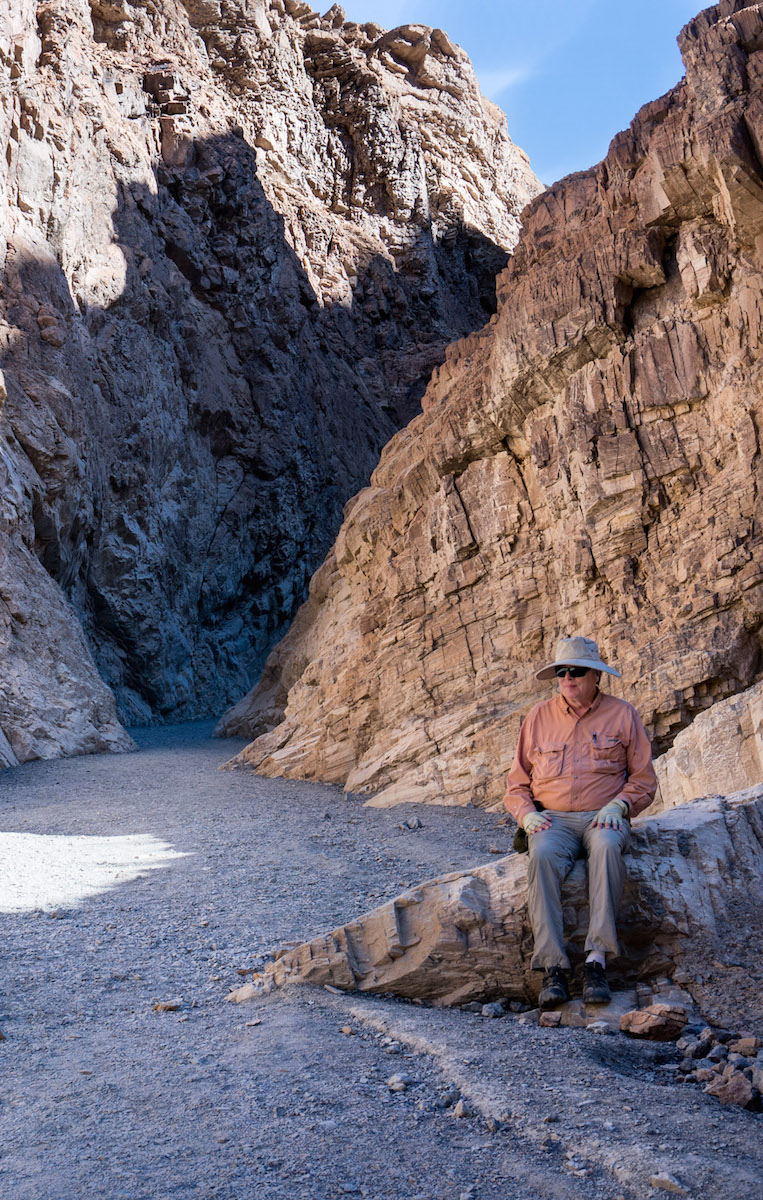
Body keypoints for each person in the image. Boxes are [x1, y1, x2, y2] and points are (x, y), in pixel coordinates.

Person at [503, 636, 657, 1010]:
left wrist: (620, 805)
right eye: (562, 671)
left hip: (601, 816)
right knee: (540, 857)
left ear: (595, 676)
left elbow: (644, 780)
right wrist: (527, 814)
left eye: (577, 671)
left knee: (606, 847)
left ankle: (596, 962)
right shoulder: (538, 717)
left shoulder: (623, 715)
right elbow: (516, 783)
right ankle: (553, 969)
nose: (568, 678)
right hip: (551, 820)